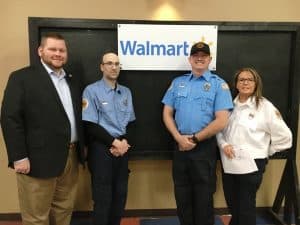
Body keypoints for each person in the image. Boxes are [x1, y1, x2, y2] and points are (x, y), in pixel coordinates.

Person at [0, 32, 85, 225]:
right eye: (52, 49)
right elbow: (10, 118)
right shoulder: (22, 78)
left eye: (62, 50)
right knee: (36, 216)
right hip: (37, 159)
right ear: (40, 51)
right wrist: (18, 156)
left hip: (70, 157)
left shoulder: (72, 80)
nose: (58, 53)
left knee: (63, 210)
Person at [161, 41, 233, 225]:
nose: (199, 58)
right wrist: (178, 137)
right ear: (190, 59)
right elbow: (167, 113)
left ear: (210, 59)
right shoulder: (178, 83)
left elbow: (222, 120)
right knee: (182, 196)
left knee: (203, 198)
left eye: (203, 56)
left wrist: (194, 139)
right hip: (180, 146)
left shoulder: (219, 85)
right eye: (195, 56)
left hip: (203, 147)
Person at [216, 67, 292, 225]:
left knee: (245, 206)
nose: (245, 83)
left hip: (252, 165)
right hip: (229, 163)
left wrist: (266, 152)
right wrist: (224, 145)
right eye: (241, 80)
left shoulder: (265, 107)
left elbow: (285, 137)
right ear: (236, 84)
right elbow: (218, 130)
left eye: (249, 79)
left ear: (256, 84)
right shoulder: (229, 106)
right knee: (233, 204)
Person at [82, 52, 135, 225]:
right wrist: (114, 143)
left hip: (122, 149)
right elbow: (90, 125)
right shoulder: (91, 91)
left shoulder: (126, 92)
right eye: (109, 63)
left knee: (120, 197)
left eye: (117, 63)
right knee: (103, 199)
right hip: (101, 150)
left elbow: (130, 123)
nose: (114, 67)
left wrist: (124, 143)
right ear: (102, 67)